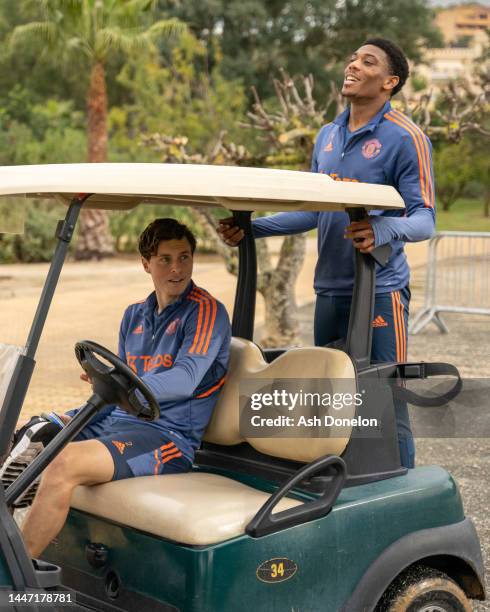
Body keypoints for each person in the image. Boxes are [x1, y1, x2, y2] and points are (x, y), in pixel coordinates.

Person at [217, 38, 436, 469]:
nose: (353, 64)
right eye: (353, 58)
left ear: (390, 82)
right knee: (333, 397)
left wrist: (382, 228)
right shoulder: (328, 135)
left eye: (367, 62)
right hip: (329, 291)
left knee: (385, 396)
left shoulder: (407, 138)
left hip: (379, 291)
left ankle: (402, 485)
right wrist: (251, 229)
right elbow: (315, 213)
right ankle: (342, 479)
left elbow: (425, 219)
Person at [21, 218, 231, 558]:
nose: (177, 268)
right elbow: (121, 390)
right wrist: (76, 412)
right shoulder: (134, 315)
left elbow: (186, 377)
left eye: (184, 257)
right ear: (146, 263)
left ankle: (13, 579)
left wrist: (122, 383)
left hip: (166, 437)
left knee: (63, 463)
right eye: (165, 259)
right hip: (116, 422)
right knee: (27, 435)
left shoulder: (205, 311)